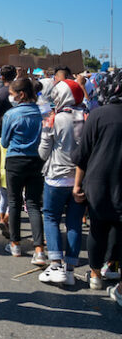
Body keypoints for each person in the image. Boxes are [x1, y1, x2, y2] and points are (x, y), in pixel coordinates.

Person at [71, 69, 122, 306]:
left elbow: (83, 154)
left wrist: (77, 184)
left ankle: (94, 274)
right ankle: (112, 265)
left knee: (97, 228)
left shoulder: (98, 115)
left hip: (98, 181)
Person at [37, 80, 86, 286]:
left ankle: (55, 264)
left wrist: (46, 132)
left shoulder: (54, 118)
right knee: (74, 223)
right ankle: (71, 269)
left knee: (51, 218)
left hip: (56, 177)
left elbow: (42, 153)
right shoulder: (86, 117)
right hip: (79, 179)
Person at [1, 79, 47, 265]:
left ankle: (15, 244)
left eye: (12, 93)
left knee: (14, 202)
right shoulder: (42, 113)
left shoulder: (11, 114)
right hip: (37, 160)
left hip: (15, 160)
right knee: (34, 205)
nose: (10, 96)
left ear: (20, 94)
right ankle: (39, 250)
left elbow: (4, 142)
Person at [0, 64, 17, 130]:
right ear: (15, 76)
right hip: (19, 126)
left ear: (2, 77)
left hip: (3, 127)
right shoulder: (21, 92)